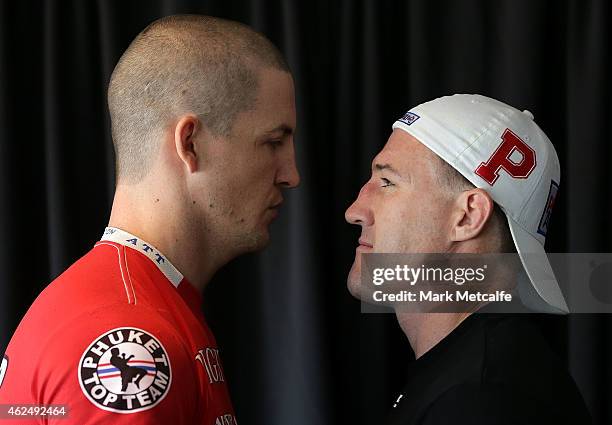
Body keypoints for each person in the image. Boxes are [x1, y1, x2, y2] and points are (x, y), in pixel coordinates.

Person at [0, 14, 299, 424]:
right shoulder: (130, 337)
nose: (291, 175)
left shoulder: (145, 304)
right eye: (273, 142)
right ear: (190, 143)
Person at [345, 94, 592, 424]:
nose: (354, 212)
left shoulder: (481, 399)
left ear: (467, 216)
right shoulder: (474, 373)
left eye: (387, 182)